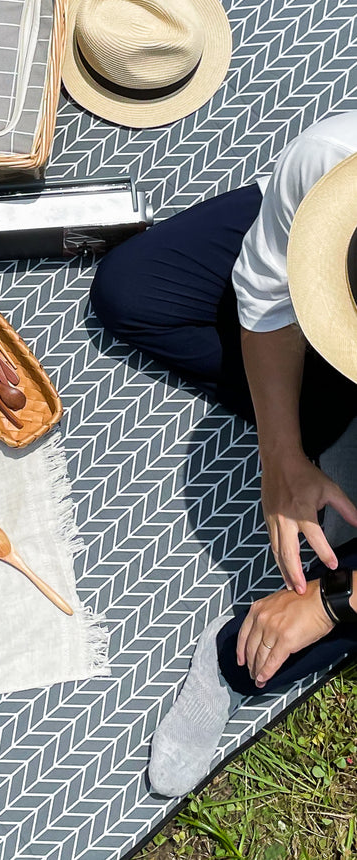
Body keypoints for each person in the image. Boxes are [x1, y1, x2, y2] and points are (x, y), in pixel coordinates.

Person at [88, 111, 357, 795]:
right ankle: (329, 416)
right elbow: (265, 299)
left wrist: (329, 604)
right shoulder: (333, 157)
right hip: (316, 239)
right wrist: (283, 456)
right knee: (132, 292)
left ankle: (232, 657)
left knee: (321, 606)